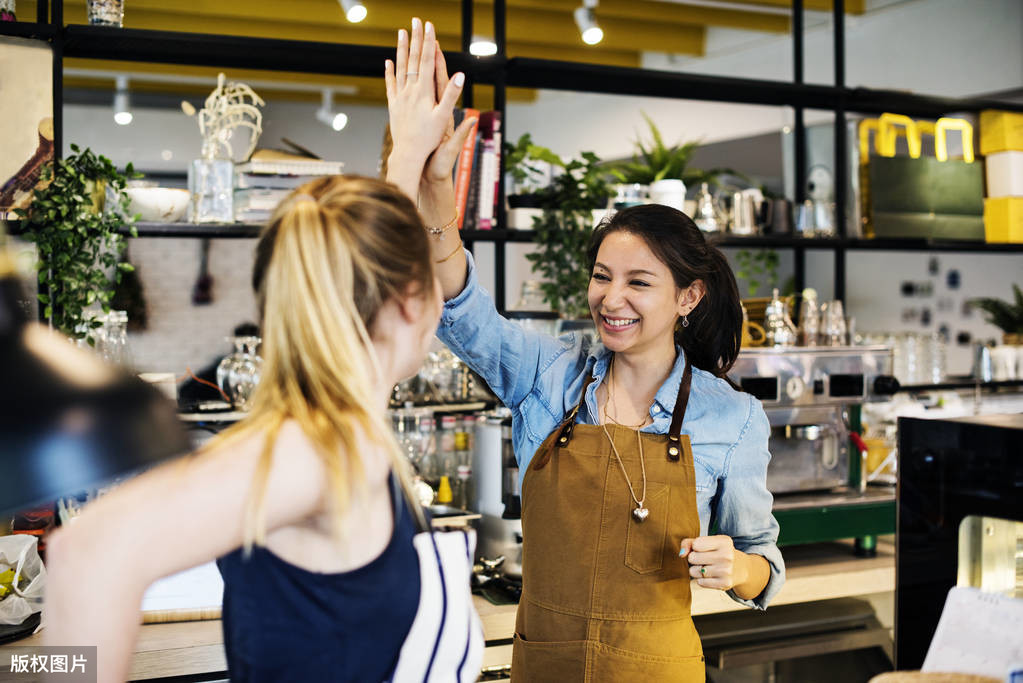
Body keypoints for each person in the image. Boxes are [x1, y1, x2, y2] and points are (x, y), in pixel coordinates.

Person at [385, 18, 784, 681]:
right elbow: (459, 306)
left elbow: (762, 566)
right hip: (546, 663)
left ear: (687, 298)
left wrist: (735, 567)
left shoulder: (730, 419)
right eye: (601, 276)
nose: (610, 297)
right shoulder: (547, 374)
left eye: (638, 282)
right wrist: (432, 197)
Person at [43, 175, 484, 681]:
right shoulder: (322, 448)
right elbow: (89, 553)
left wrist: (413, 158)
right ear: (413, 299)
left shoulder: (341, 434)